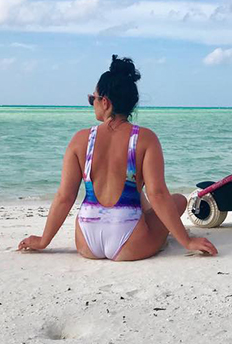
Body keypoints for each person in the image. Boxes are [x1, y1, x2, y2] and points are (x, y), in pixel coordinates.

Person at [18, 55, 218, 260]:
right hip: (131, 242)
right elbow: (158, 194)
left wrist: (44, 240)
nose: (92, 103)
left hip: (87, 241)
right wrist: (187, 241)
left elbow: (65, 197)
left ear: (105, 102)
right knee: (176, 200)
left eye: (91, 99)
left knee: (135, 190)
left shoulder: (80, 140)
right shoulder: (145, 139)